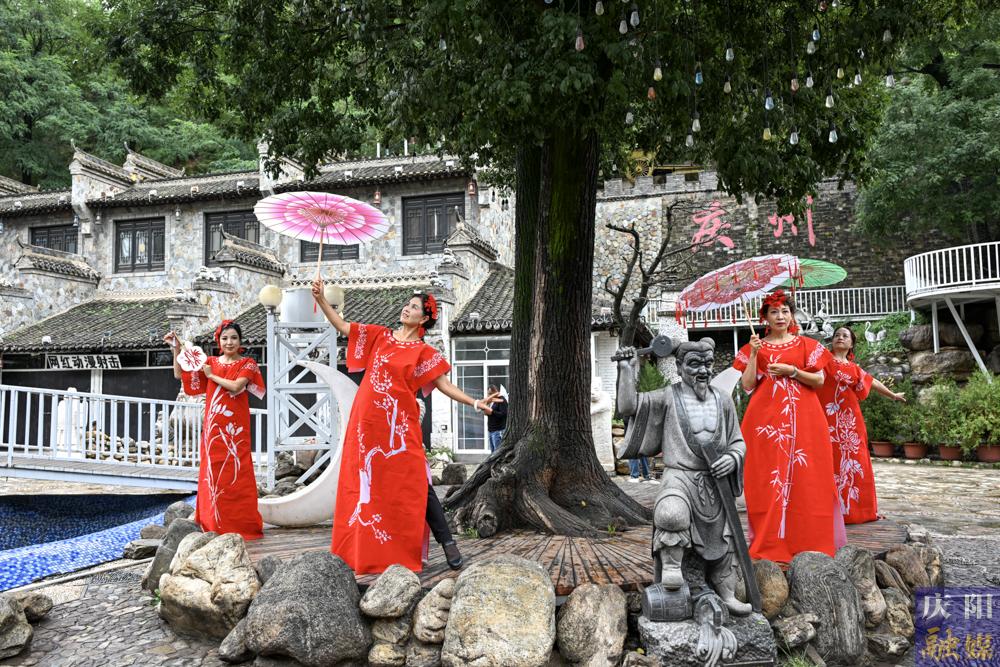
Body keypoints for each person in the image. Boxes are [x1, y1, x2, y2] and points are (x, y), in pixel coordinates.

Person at [312, 278, 491, 574]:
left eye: (414, 307)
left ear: (424, 319)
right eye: (407, 304)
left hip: (399, 426)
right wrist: (321, 301)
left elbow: (444, 385)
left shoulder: (423, 352)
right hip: (367, 424)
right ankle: (368, 551)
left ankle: (447, 542)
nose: (407, 309)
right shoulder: (380, 336)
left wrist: (474, 402)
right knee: (367, 482)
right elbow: (343, 326)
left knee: (417, 482)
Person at [732, 290, 845, 562]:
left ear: (792, 315)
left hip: (806, 420)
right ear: (765, 318)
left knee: (807, 477)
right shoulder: (755, 347)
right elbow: (748, 385)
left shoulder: (806, 345)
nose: (780, 316)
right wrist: (755, 354)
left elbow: (819, 381)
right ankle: (771, 541)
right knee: (769, 478)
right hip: (766, 423)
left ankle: (809, 540)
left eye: (785, 311)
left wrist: (792, 371)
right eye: (774, 312)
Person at [165, 322, 264, 540]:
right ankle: (212, 522)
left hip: (236, 430)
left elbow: (237, 386)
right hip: (213, 429)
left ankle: (241, 523)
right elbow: (179, 374)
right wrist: (176, 349)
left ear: (240, 341)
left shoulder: (247, 363)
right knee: (212, 474)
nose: (229, 342)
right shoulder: (209, 362)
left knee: (237, 473)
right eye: (225, 338)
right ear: (219, 341)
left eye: (234, 338)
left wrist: (211, 376)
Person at [819, 326, 906, 524]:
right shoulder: (822, 361)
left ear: (851, 344)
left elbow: (872, 381)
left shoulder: (854, 368)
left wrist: (893, 395)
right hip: (826, 420)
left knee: (856, 461)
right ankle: (830, 511)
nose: (840, 338)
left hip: (850, 422)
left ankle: (858, 511)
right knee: (829, 460)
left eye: (845, 336)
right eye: (837, 335)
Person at [485, 384, 507, 452]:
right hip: (491, 430)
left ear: (495, 392)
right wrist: (487, 412)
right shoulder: (492, 401)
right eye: (488, 394)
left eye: (491, 393)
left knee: (497, 452)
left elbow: (503, 414)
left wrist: (492, 412)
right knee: (493, 452)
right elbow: (491, 413)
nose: (489, 395)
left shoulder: (501, 400)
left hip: (497, 430)